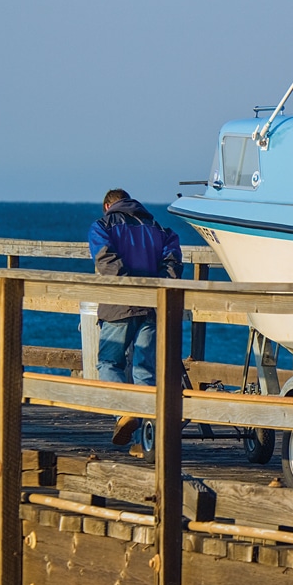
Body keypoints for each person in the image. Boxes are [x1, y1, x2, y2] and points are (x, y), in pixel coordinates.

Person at [87, 189, 183, 446]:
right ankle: (146, 442)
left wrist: (130, 287)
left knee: (109, 363)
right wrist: (154, 287)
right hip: (153, 305)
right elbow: (173, 262)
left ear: (108, 205)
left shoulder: (102, 226)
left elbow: (105, 260)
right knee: (145, 370)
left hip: (119, 306)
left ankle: (125, 411)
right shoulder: (159, 228)